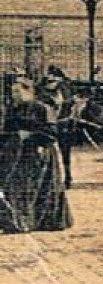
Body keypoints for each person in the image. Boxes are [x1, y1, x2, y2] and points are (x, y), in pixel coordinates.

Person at [0, 79, 72, 233]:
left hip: (40, 153)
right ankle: (19, 221)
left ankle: (36, 221)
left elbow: (51, 134)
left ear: (28, 92)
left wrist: (29, 135)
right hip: (19, 155)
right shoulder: (14, 109)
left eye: (17, 92)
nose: (15, 96)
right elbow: (6, 131)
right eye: (13, 93)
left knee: (37, 188)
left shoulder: (42, 109)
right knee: (16, 187)